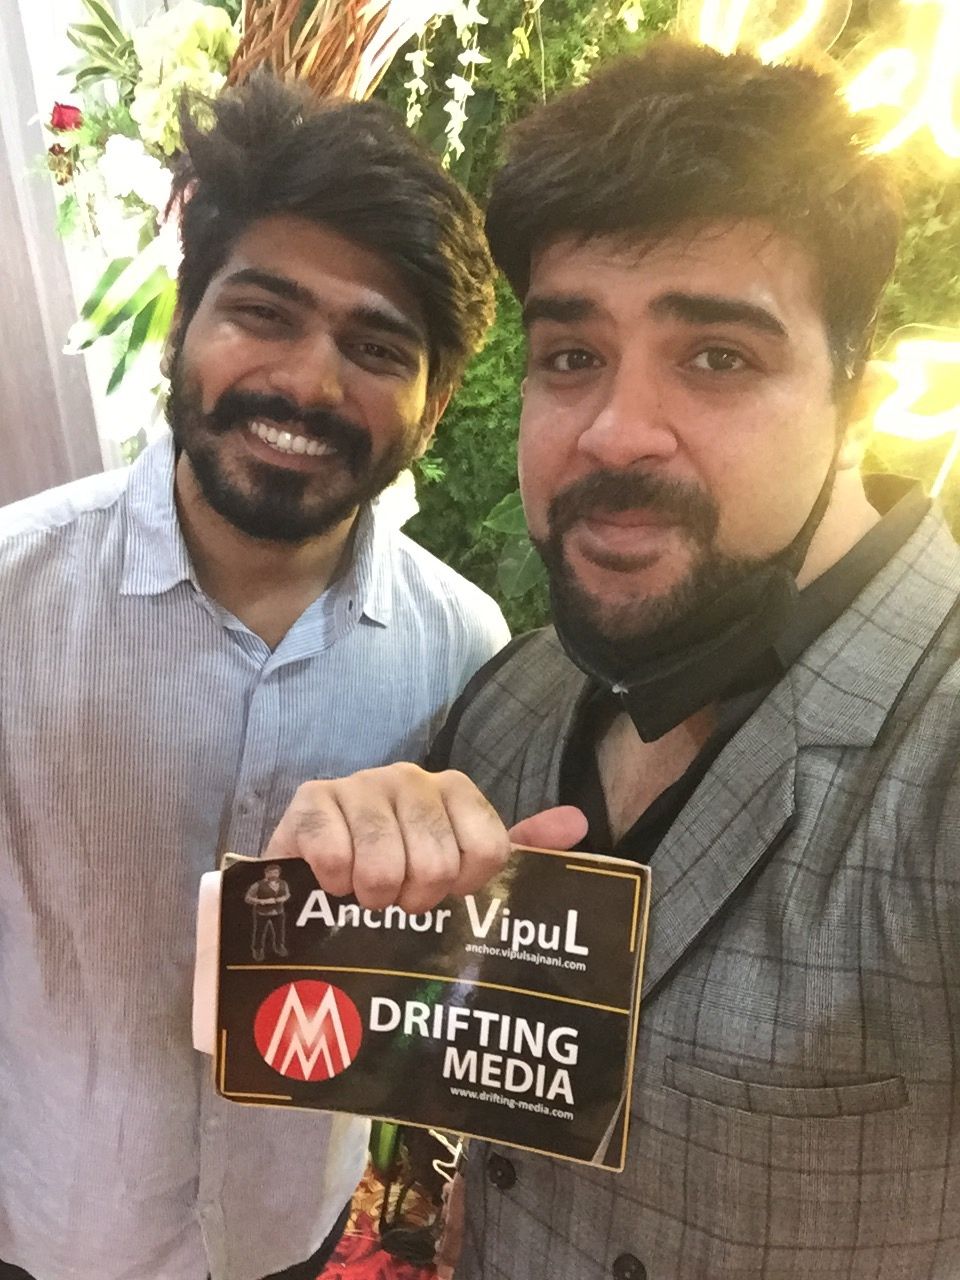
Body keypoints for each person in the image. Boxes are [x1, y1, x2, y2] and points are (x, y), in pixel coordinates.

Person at [263, 39, 960, 1279]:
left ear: (854, 392)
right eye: (572, 356)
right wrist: (336, 890)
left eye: (719, 357)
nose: (615, 432)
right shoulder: (511, 696)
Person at [0, 74, 509, 1280]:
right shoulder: (12, 596)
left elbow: (465, 977)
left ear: (433, 405)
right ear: (182, 325)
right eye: (263, 312)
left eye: (376, 347)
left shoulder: (466, 643)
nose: (309, 384)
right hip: (51, 1224)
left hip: (291, 1224)